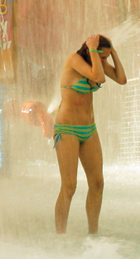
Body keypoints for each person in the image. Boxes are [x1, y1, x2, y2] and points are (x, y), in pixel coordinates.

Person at [54, 33, 127, 235]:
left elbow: (122, 79)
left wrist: (113, 53)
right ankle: (60, 236)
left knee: (97, 183)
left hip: (89, 129)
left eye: (105, 58)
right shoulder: (74, 60)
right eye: (101, 57)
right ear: (90, 51)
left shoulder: (98, 62)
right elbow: (98, 77)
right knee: (69, 186)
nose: (103, 62)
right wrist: (95, 52)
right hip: (67, 128)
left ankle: (93, 233)